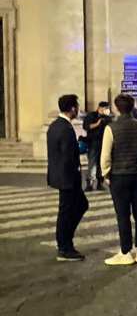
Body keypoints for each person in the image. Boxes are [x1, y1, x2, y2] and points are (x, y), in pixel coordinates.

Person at [100, 94, 137, 266]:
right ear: (132, 108)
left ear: (116, 108)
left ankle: (125, 251)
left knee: (122, 214)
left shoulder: (111, 128)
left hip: (119, 176)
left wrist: (106, 174)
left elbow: (105, 157)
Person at [47, 94, 88, 262]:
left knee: (78, 206)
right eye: (77, 106)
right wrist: (80, 151)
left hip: (61, 176)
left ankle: (64, 241)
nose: (78, 109)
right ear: (72, 108)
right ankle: (64, 246)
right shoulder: (65, 128)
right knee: (68, 211)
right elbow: (67, 155)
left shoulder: (55, 125)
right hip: (68, 177)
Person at [82, 101, 111, 191]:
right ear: (99, 108)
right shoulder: (91, 116)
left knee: (101, 164)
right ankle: (89, 184)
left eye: (107, 109)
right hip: (93, 142)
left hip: (104, 143)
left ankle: (100, 183)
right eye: (104, 109)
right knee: (92, 163)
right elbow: (86, 126)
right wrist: (97, 124)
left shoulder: (108, 118)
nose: (106, 111)